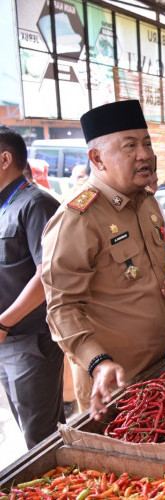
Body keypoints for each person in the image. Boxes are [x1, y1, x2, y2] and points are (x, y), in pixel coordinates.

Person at [41, 100, 165, 420]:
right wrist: (98, 362)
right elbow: (61, 308)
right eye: (130, 146)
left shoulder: (149, 203)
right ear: (97, 158)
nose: (145, 154)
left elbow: (157, 266)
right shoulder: (76, 218)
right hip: (116, 383)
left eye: (147, 143)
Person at [0, 126, 64, 448]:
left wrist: (4, 321)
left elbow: (47, 275)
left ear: (5, 159)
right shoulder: (3, 207)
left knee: (42, 438)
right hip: (6, 340)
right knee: (31, 431)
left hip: (30, 340)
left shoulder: (36, 203)